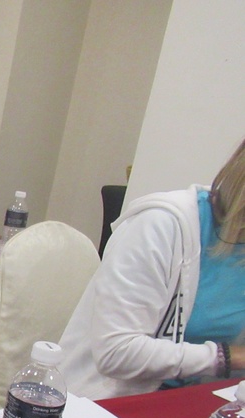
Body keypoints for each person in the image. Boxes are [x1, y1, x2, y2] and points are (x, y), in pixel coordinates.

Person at [59, 137, 245, 399]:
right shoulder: (161, 224)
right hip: (113, 401)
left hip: (203, 401)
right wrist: (228, 357)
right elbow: (117, 352)